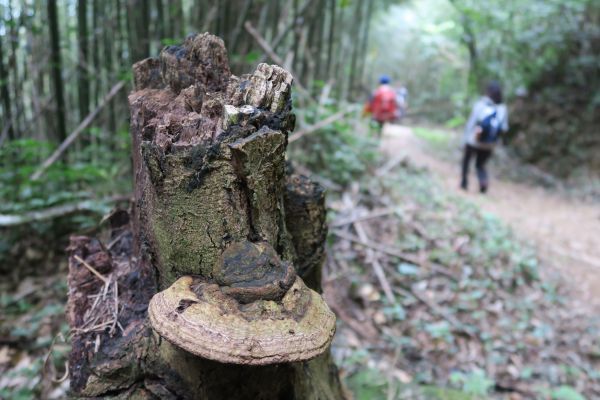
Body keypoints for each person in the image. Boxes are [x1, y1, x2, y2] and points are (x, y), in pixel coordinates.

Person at [460, 81, 509, 193]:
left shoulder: (481, 104)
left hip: (474, 140)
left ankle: (464, 182)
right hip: (489, 144)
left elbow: (471, 123)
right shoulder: (503, 108)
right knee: (480, 165)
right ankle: (483, 183)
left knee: (466, 161)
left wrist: (464, 139)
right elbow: (504, 128)